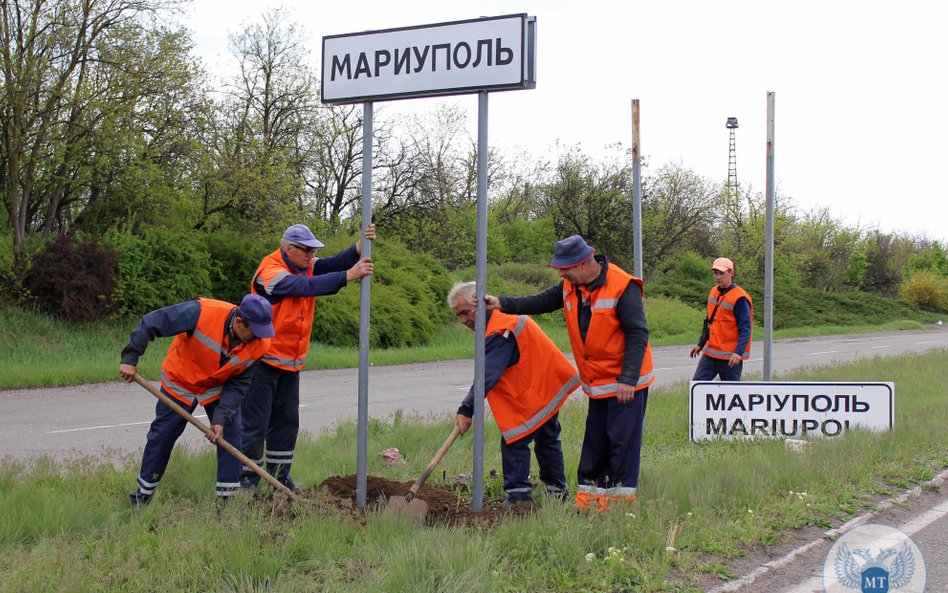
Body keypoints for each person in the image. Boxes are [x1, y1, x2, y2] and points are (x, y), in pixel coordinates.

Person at [485, 235, 654, 512]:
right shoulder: (570, 286)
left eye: (566, 268)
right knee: (595, 445)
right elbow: (540, 302)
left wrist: (628, 380)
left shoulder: (623, 286)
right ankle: (589, 504)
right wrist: (501, 302)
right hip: (597, 383)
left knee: (621, 446)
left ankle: (618, 508)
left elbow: (638, 334)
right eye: (559, 269)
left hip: (626, 383)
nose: (562, 274)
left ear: (586, 262)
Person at [240, 222, 375, 490]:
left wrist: (359, 248)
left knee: (287, 424)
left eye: (313, 252)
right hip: (262, 362)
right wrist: (348, 276)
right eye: (307, 252)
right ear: (289, 248)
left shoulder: (303, 264)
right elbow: (303, 286)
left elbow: (329, 265)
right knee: (255, 425)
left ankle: (279, 479)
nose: (311, 257)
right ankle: (246, 482)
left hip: (290, 363)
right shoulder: (271, 271)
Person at [119, 294, 275, 506]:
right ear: (239, 322)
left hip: (216, 385)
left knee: (231, 435)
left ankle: (226, 505)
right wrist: (130, 358)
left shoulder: (261, 345)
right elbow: (152, 322)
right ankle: (142, 497)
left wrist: (220, 419)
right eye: (254, 333)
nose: (258, 338)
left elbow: (239, 384)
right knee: (162, 435)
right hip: (181, 379)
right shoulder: (202, 312)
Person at [449, 281, 579, 506]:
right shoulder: (502, 321)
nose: (463, 321)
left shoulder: (501, 329)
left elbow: (486, 375)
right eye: (459, 316)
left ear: (480, 305)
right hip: (541, 389)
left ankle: (519, 498)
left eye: (465, 313)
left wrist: (466, 408)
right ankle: (557, 491)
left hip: (535, 392)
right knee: (547, 439)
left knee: (515, 440)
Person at [689, 257, 754, 381]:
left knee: (731, 395)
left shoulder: (740, 298)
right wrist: (701, 344)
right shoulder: (713, 291)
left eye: (722, 273)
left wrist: (738, 352)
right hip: (711, 353)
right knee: (697, 388)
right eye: (715, 273)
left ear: (731, 273)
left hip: (730, 357)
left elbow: (745, 329)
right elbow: (709, 321)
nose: (718, 277)